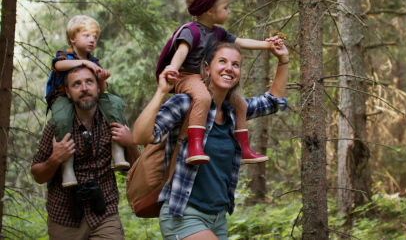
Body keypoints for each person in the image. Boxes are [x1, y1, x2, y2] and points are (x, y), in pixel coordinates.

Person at [133, 41, 290, 240]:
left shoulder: (235, 113)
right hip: (184, 215)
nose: (229, 68)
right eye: (222, 61)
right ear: (207, 69)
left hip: (218, 219)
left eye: (235, 64)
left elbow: (272, 102)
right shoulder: (185, 104)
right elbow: (140, 136)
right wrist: (161, 91)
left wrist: (283, 60)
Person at [161, 0, 283, 166]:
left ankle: (244, 149)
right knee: (202, 98)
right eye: (226, 7)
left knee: (239, 103)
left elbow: (242, 42)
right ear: (210, 10)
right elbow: (182, 51)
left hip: (205, 77)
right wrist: (173, 69)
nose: (229, 11)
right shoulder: (191, 30)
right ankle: (195, 147)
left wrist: (268, 45)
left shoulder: (218, 33)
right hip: (187, 76)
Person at [32, 66, 141, 239]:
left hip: (105, 213)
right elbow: (37, 175)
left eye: (89, 82)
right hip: (64, 217)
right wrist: (55, 159)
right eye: (77, 84)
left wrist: (131, 144)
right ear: (68, 92)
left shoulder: (113, 120)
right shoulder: (56, 127)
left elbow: (137, 168)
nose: (84, 88)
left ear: (98, 87)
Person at [46, 15, 129, 188]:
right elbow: (58, 66)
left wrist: (101, 79)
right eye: (86, 35)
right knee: (61, 120)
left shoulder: (93, 60)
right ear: (72, 38)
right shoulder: (65, 55)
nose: (92, 40)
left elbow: (101, 91)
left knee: (114, 102)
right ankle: (67, 167)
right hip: (62, 98)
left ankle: (117, 150)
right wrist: (83, 62)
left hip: (87, 97)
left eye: (94, 37)